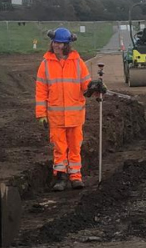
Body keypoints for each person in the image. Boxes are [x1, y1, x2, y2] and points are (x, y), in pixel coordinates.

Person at [35, 27, 105, 191]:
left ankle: (75, 176)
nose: (56, 46)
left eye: (60, 43)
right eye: (55, 42)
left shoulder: (78, 63)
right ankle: (61, 177)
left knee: (75, 147)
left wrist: (97, 88)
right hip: (56, 116)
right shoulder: (45, 64)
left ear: (67, 45)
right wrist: (41, 115)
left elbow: (86, 87)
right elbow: (40, 91)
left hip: (75, 116)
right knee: (59, 148)